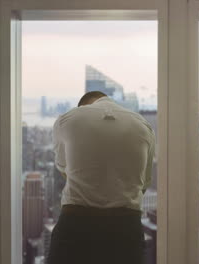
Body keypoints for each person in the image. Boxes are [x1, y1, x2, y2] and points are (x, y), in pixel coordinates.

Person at [47, 91, 155, 264]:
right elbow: (144, 184)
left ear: (83, 106)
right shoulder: (144, 126)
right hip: (126, 230)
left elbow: (65, 170)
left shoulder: (67, 120)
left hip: (76, 225)